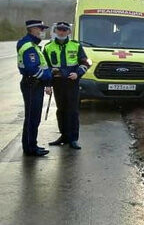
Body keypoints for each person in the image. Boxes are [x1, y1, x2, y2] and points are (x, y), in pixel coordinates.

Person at [44, 22, 89, 149]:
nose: (62, 32)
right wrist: (47, 85)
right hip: (58, 83)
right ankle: (63, 136)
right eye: (59, 30)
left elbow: (85, 62)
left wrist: (78, 73)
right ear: (56, 31)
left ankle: (73, 139)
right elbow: (45, 67)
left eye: (64, 30)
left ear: (69, 32)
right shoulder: (48, 47)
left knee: (73, 111)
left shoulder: (76, 45)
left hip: (72, 83)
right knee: (61, 110)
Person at [16, 20, 54, 156]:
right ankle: (30, 148)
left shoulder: (33, 44)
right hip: (32, 84)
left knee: (34, 117)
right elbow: (32, 69)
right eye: (40, 29)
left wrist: (47, 79)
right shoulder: (28, 46)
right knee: (32, 117)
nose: (42, 31)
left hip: (35, 85)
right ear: (32, 29)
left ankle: (32, 144)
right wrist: (47, 75)